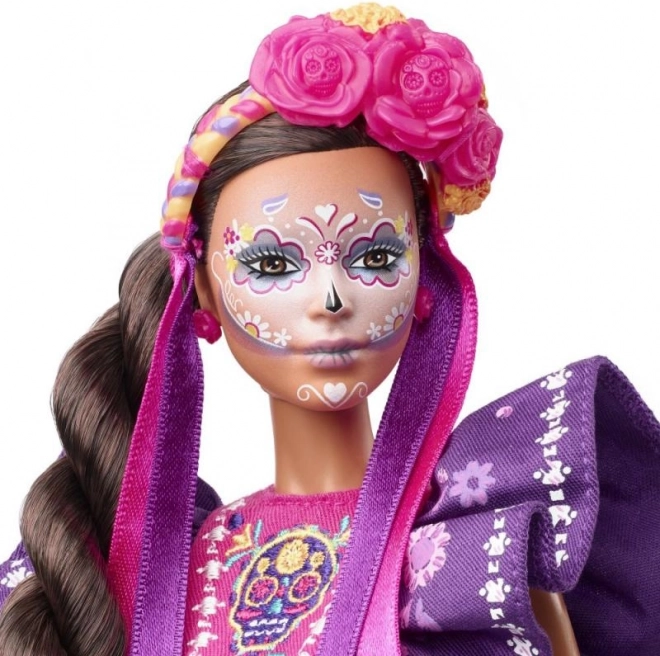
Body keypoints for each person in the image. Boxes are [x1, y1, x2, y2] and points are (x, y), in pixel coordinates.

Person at [1, 3, 658, 655]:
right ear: (203, 290)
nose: (333, 298)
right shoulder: (152, 573)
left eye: (374, 256)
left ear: (423, 274)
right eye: (273, 263)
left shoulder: (473, 550)